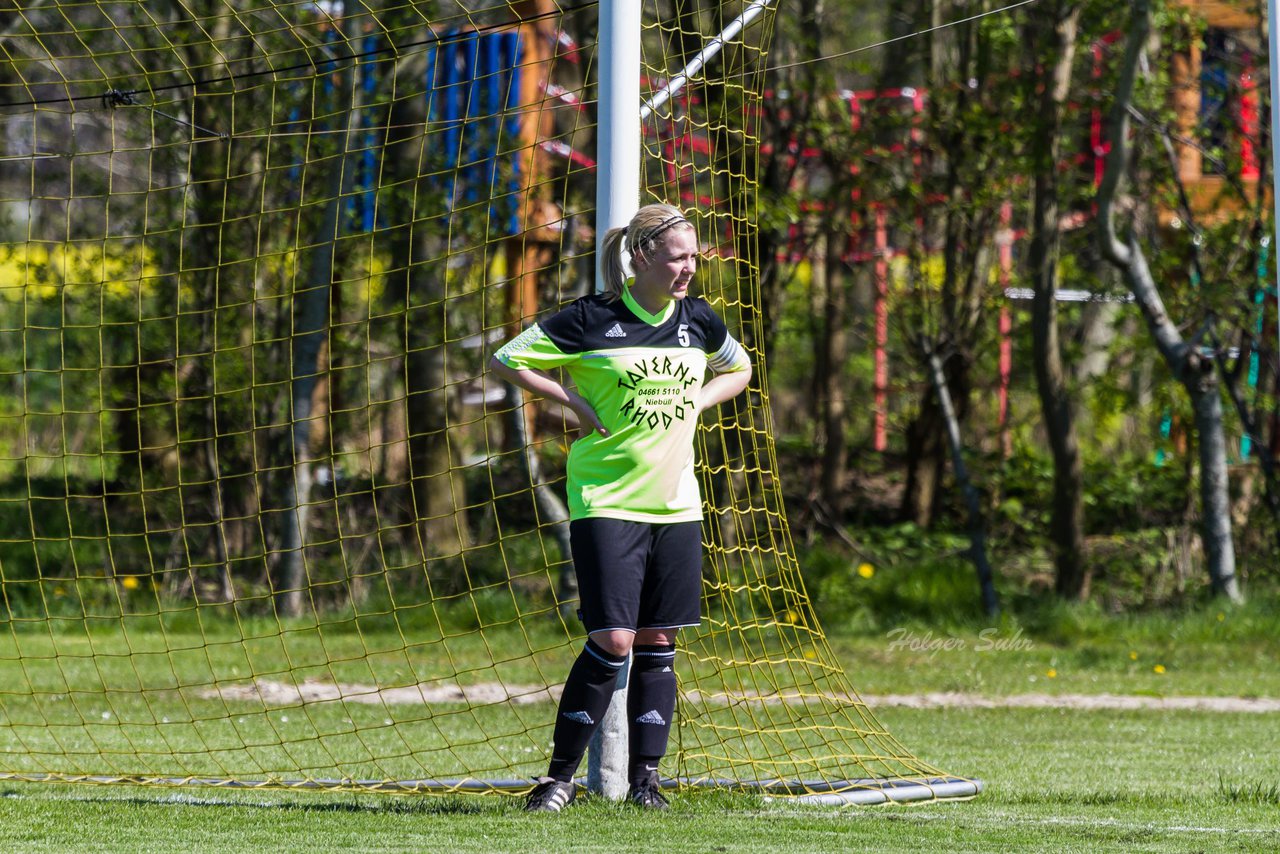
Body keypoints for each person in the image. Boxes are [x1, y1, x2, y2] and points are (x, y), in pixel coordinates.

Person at [489, 203, 752, 812]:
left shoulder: (698, 321)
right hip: (606, 500)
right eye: (677, 257)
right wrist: (575, 404)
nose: (688, 269)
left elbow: (737, 369)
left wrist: (698, 403)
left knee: (659, 639)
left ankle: (646, 783)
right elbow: (506, 360)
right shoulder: (591, 319)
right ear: (641, 259)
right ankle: (557, 780)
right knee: (613, 637)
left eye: (693, 257)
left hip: (677, 505)